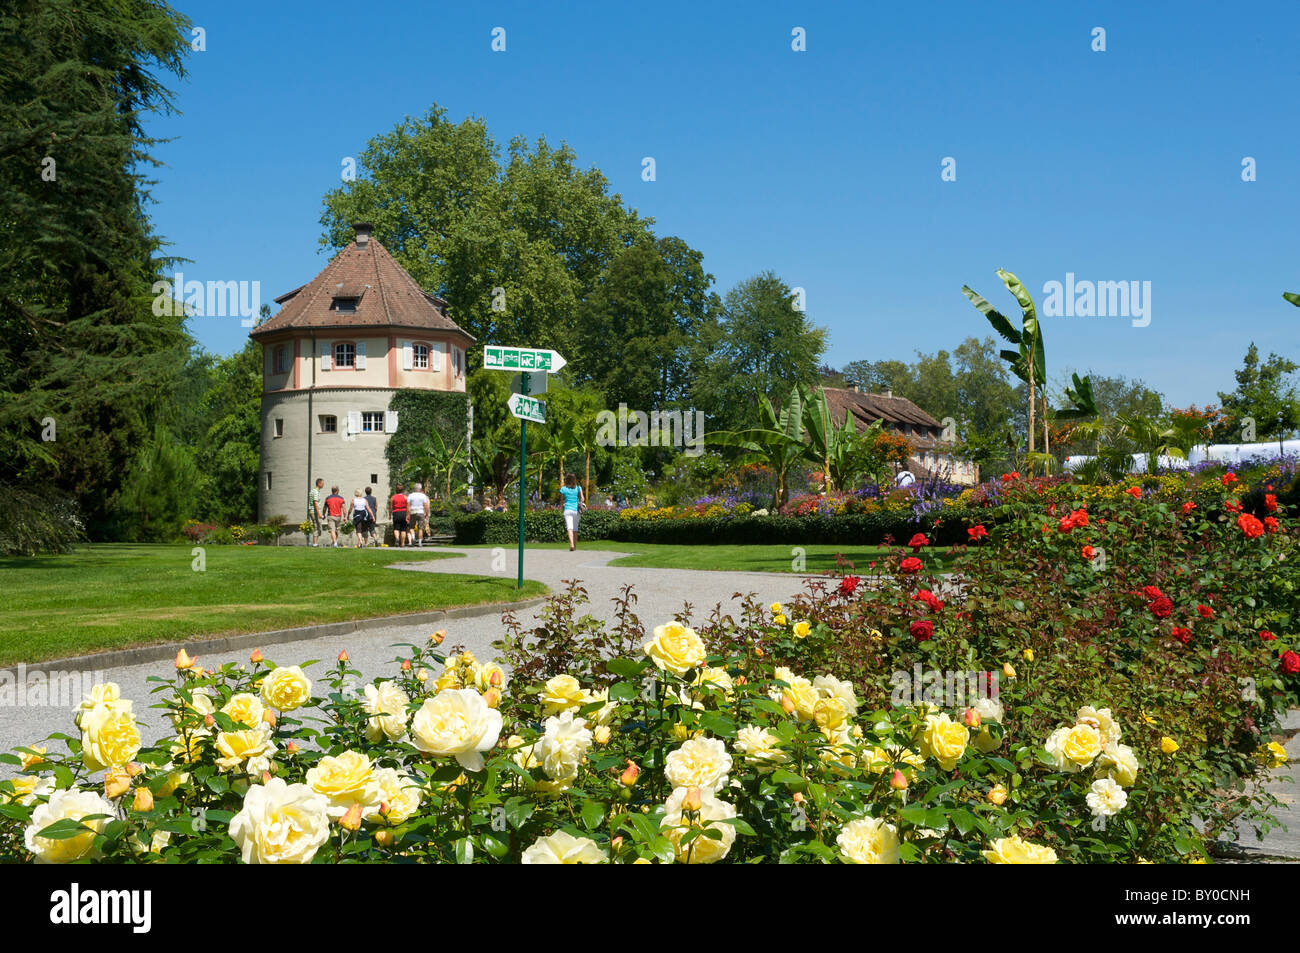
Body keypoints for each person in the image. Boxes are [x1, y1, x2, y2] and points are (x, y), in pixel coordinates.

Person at [559, 473, 586, 551]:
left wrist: (562, 506)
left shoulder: (563, 489)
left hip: (567, 509)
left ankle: (571, 545)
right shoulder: (578, 488)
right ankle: (575, 546)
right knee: (575, 529)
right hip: (576, 510)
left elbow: (561, 500)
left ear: (566, 480)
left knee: (569, 528)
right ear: (574, 479)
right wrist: (580, 502)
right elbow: (582, 498)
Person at [407, 482, 430, 547]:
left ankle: (413, 538)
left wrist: (407, 514)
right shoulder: (423, 496)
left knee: (411, 527)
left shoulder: (410, 495)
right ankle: (420, 543)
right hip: (421, 512)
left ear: (414, 489)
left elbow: (408, 506)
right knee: (420, 528)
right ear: (420, 489)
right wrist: (427, 513)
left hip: (413, 512)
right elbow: (426, 505)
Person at [308, 478, 325, 546]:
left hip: (312, 511)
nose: (323, 485)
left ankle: (315, 543)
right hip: (315, 512)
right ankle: (315, 543)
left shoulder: (313, 491)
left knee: (317, 526)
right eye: (322, 483)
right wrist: (319, 514)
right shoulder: (315, 492)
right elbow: (315, 503)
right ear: (319, 483)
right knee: (317, 527)